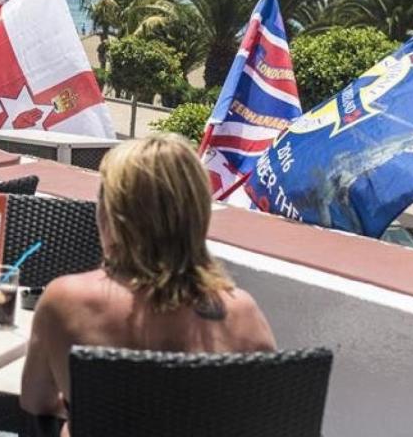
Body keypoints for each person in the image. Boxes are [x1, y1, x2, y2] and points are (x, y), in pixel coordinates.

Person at [20, 134, 276, 434]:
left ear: (111, 216)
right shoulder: (243, 313)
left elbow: (36, 401)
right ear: (198, 216)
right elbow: (266, 415)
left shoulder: (66, 301)